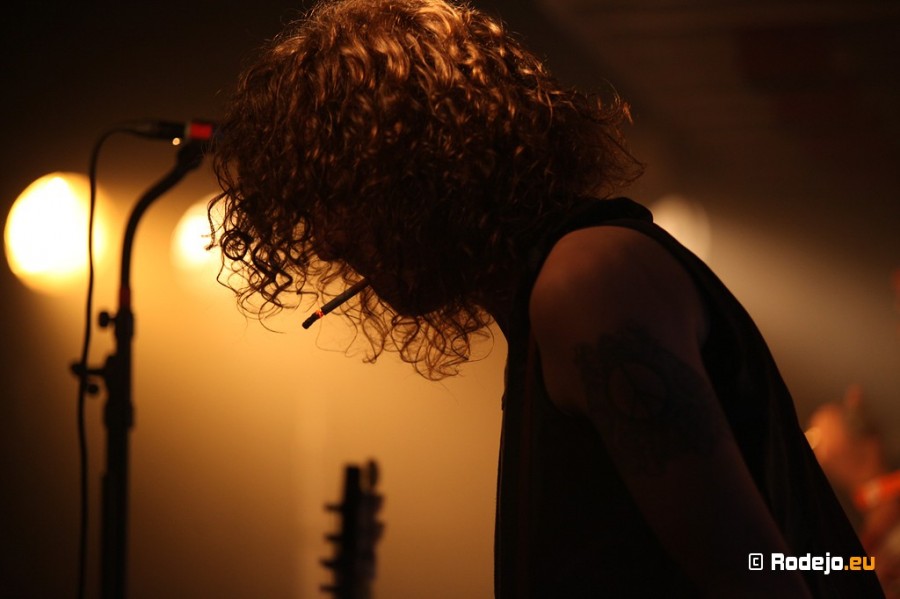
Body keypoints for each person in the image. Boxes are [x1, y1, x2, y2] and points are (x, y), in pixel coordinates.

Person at [209, 0, 884, 596]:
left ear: (413, 171)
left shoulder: (587, 287)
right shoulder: (562, 295)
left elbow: (754, 573)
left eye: (335, 198)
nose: (327, 241)